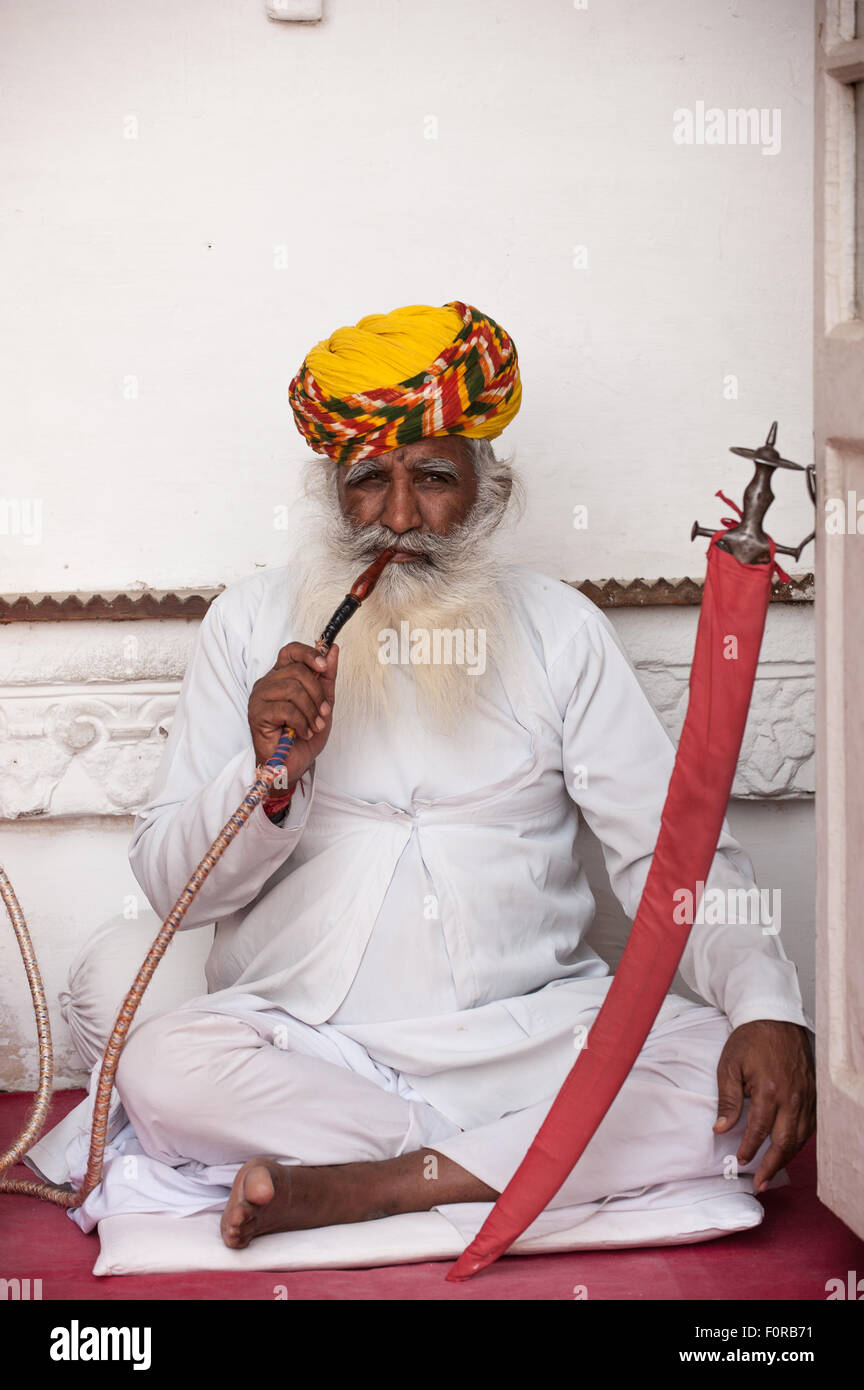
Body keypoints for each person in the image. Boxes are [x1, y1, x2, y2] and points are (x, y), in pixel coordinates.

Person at [76, 301, 817, 1249]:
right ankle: (489, 1166)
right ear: (328, 494)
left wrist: (762, 1004)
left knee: (728, 1067)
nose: (397, 517)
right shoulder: (248, 626)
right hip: (315, 1049)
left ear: (488, 492)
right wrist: (269, 776)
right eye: (366, 483)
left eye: (432, 478)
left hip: (535, 1040)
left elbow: (670, 855)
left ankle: (374, 1186)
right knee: (162, 1069)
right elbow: (170, 889)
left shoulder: (560, 629)